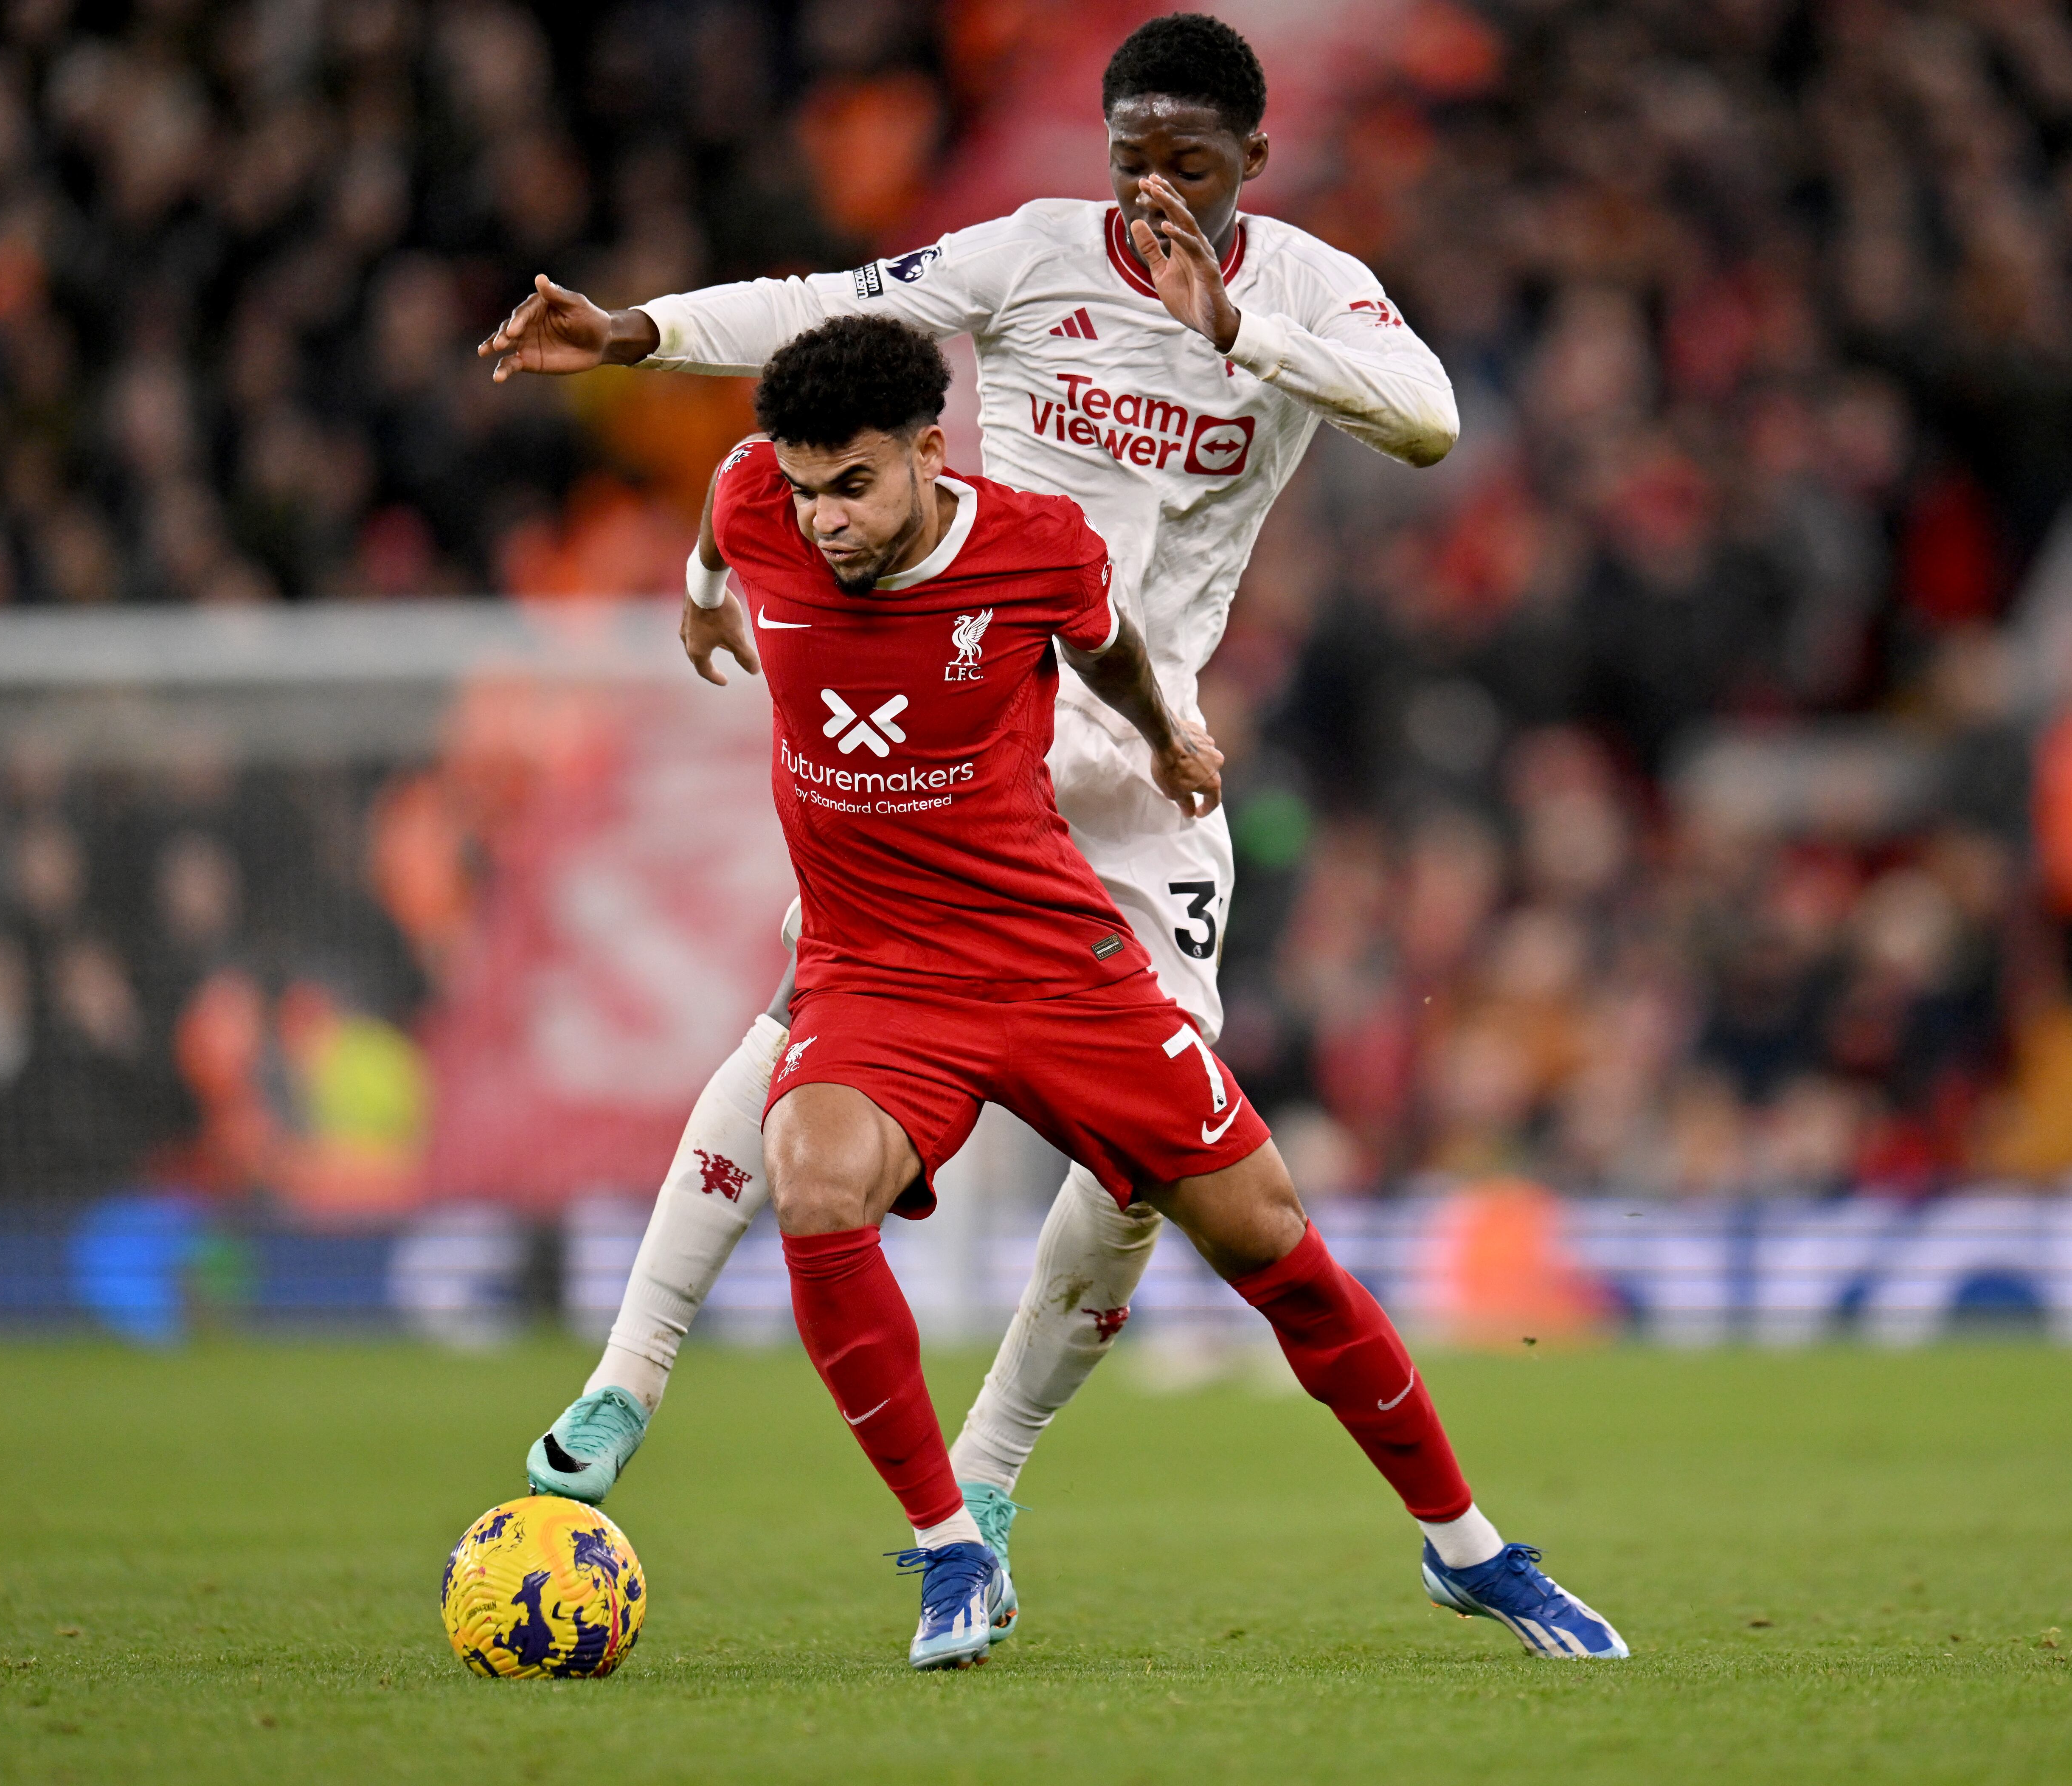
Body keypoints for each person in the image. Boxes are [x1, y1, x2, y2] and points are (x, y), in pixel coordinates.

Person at [484, 12, 1507, 1641]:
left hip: (1154, 772)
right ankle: (625, 1378)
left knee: (1157, 1177)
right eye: (1129, 156)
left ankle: (998, 1460)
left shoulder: (1307, 290)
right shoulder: (1035, 254)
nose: (1152, 189)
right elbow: (834, 308)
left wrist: (1233, 325)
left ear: (1255, 161)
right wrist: (633, 334)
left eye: (1188, 160)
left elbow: (1427, 419)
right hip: (981, 730)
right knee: (802, 1029)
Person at [692, 311, 1623, 1669]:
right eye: (805, 489)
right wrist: (698, 587)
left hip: (1052, 961)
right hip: (876, 968)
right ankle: (955, 1550)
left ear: (929, 454)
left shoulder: (1034, 546)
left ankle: (1469, 1549)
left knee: (1268, 1238)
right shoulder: (750, 501)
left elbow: (1111, 645)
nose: (824, 520)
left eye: (857, 485)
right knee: (814, 1179)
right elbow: (726, 524)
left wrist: (1164, 735)